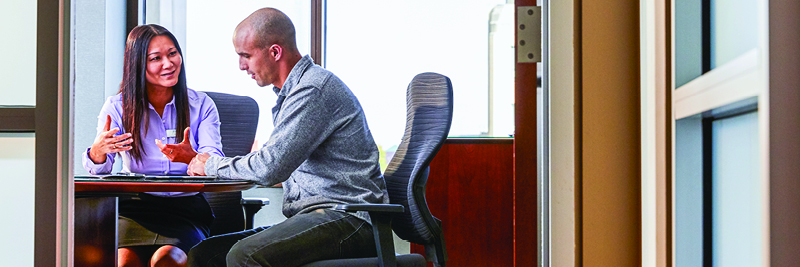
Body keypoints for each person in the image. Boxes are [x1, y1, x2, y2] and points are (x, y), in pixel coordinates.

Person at [172, 8, 388, 267]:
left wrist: (209, 164)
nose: (241, 66)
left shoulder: (313, 90)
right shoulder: (294, 93)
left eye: (246, 56)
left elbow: (270, 167)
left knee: (244, 255)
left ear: (274, 52)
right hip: (319, 218)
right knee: (205, 255)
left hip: (350, 220)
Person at [82, 24, 224, 267]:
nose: (168, 64)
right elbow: (101, 171)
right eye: (156, 58)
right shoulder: (117, 107)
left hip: (185, 209)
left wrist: (193, 158)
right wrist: (97, 153)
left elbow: (214, 159)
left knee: (166, 260)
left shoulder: (201, 105)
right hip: (136, 207)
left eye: (172, 54)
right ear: (138, 64)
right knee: (124, 262)